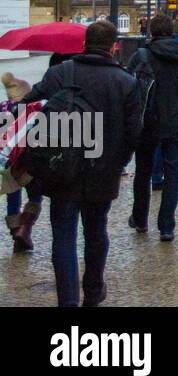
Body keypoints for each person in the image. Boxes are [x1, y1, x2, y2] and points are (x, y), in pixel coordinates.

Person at [20, 20, 141, 307]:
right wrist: (119, 162)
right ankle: (94, 290)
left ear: (84, 44)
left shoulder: (62, 72)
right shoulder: (126, 82)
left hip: (61, 166)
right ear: (114, 47)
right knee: (96, 230)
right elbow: (134, 132)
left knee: (63, 233)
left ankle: (68, 301)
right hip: (104, 169)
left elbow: (28, 103)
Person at [126, 15, 178, 241]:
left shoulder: (141, 56)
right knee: (172, 175)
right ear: (172, 31)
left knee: (143, 172)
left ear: (151, 32)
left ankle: (140, 219)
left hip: (147, 124)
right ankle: (167, 225)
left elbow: (129, 90)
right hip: (175, 124)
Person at [2, 72, 43, 254]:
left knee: (13, 196)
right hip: (27, 165)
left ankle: (15, 232)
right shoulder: (31, 110)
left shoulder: (3, 109)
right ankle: (25, 228)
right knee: (36, 195)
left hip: (8, 166)